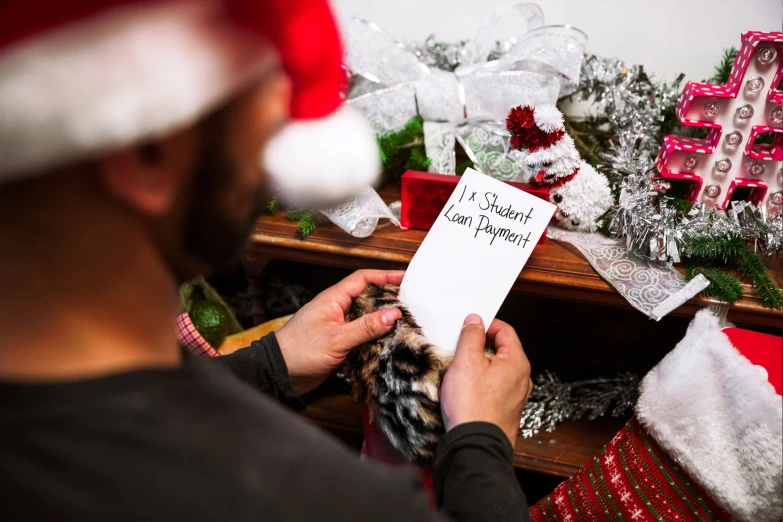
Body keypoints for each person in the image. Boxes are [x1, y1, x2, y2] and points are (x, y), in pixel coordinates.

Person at [0, 1, 534, 520]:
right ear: (147, 153)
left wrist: (269, 366)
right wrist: (479, 446)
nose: (281, 135)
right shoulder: (319, 499)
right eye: (263, 93)